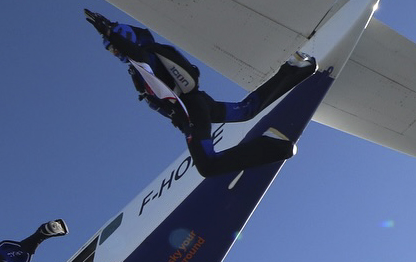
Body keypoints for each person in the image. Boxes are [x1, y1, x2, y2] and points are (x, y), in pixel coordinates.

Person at [84, 9, 316, 177]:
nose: (115, 53)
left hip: (191, 112)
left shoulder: (143, 57)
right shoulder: (145, 59)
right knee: (248, 110)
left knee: (208, 166)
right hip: (200, 104)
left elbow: (137, 55)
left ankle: (273, 147)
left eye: (114, 48)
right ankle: (296, 68)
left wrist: (110, 33)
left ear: (124, 38)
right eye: (111, 51)